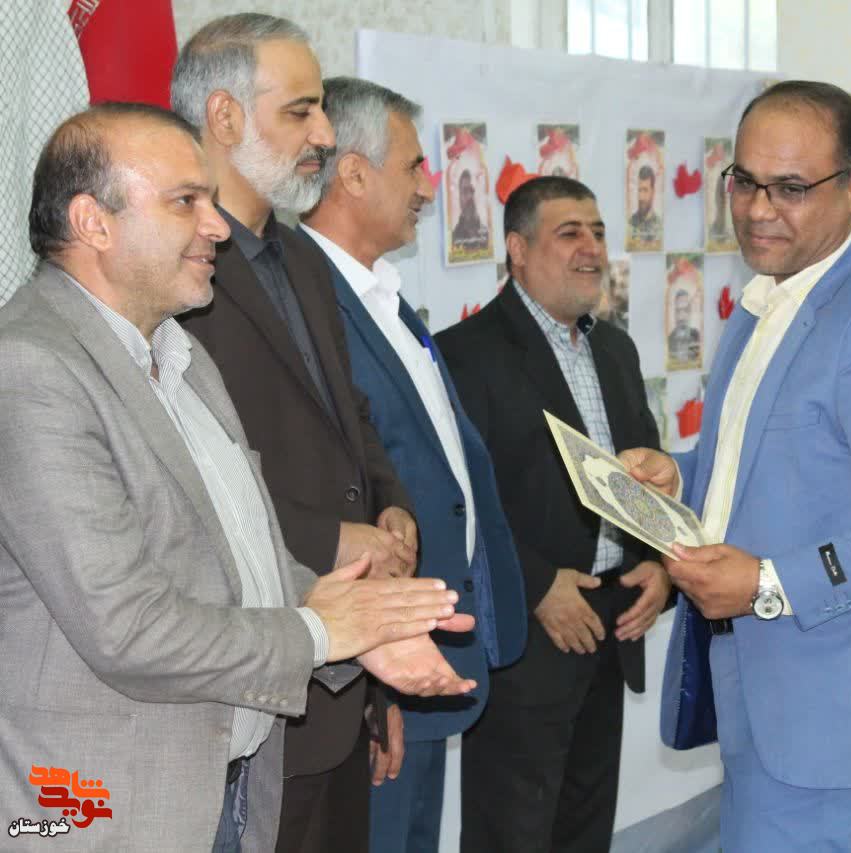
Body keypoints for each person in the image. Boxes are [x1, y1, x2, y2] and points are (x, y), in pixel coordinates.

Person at [0, 103, 475, 851]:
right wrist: (321, 632)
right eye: (185, 201)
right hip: (102, 815)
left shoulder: (181, 357)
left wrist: (360, 626)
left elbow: (242, 556)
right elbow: (128, 627)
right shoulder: (31, 370)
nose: (216, 227)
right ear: (93, 223)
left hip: (226, 792)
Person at [621, 81, 851, 851]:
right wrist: (681, 475)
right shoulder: (770, 299)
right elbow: (775, 462)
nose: (758, 209)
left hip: (833, 716)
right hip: (765, 692)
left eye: (790, 188)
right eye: (745, 181)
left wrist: (767, 582)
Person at [171, 14, 423, 851]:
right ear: (224, 116)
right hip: (252, 693)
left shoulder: (303, 257)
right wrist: (330, 538)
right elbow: (181, 482)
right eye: (301, 111)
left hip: (344, 678)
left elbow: (350, 416)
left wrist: (389, 507)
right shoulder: (173, 268)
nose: (323, 134)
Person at [298, 76, 528, 853]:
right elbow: (324, 491)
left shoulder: (385, 295)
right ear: (353, 173)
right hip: (377, 669)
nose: (429, 188)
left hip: (427, 648)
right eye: (412, 167)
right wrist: (370, 689)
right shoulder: (308, 301)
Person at [435, 176, 672, 853]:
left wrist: (658, 563)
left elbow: (646, 473)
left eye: (598, 232)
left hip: (612, 627)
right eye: (570, 233)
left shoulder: (616, 350)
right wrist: (538, 586)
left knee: (585, 832)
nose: (591, 248)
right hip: (527, 639)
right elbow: (458, 503)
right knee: (511, 835)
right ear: (517, 248)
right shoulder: (464, 353)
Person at [451, 169, 488, 247]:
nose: (469, 196)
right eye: (465, 191)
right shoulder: (453, 238)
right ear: (459, 198)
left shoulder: (488, 235)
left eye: (472, 190)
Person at [665, 288, 700, 365]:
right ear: (674, 313)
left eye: (686, 310)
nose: (681, 317)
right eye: (678, 311)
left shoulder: (697, 336)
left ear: (690, 311)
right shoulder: (668, 341)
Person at [628, 164, 660, 244]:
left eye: (645, 190)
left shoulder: (659, 225)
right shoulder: (631, 222)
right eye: (639, 190)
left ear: (653, 192)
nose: (641, 197)